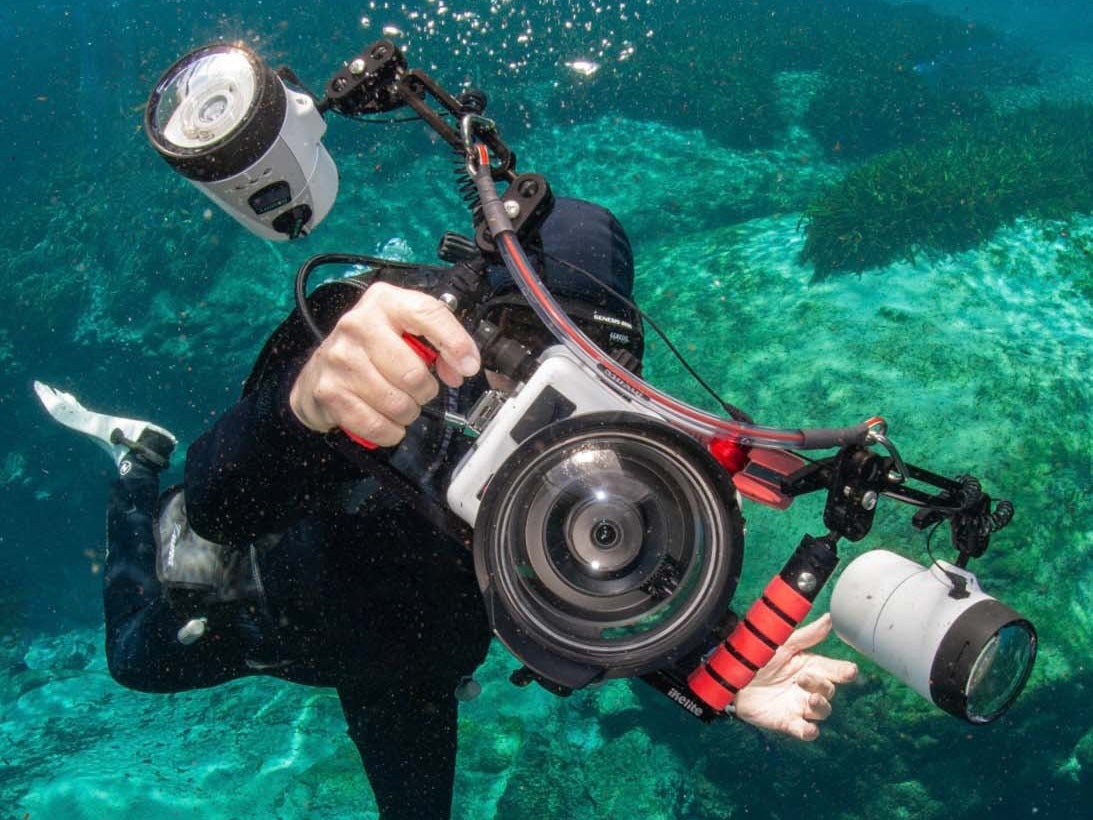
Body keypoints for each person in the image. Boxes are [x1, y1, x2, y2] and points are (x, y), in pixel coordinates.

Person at [36, 198, 856, 819]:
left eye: (588, 362)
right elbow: (221, 505)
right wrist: (307, 405)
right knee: (129, 658)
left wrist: (719, 668)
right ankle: (136, 464)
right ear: (478, 314)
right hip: (262, 609)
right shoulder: (377, 356)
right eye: (517, 338)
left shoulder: (605, 443)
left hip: (411, 673)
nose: (538, 388)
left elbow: (610, 585)